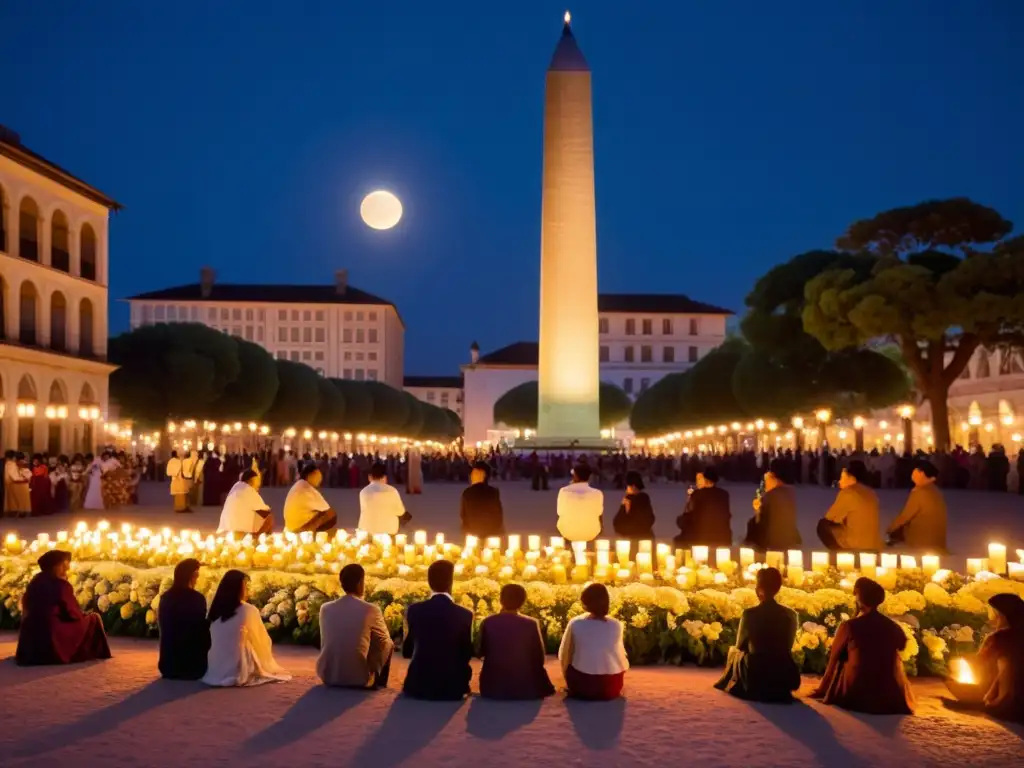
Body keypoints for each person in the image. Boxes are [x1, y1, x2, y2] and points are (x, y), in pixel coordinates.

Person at [811, 577, 915, 714]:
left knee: (843, 654)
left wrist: (823, 689)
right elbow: (902, 646)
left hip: (856, 691)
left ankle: (838, 687)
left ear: (859, 598)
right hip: (889, 693)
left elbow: (833, 658)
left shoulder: (849, 626)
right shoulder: (893, 627)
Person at [714, 567, 800, 702]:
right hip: (782, 674)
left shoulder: (750, 614)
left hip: (756, 676)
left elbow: (740, 645)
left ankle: (724, 682)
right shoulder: (791, 615)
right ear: (778, 588)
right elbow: (788, 646)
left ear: (758, 589)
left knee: (734, 651)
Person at [15, 550, 112, 666]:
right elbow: (73, 614)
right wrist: (85, 615)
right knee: (94, 619)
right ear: (58, 565)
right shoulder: (61, 584)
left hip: (31, 634)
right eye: (66, 562)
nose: (68, 566)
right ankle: (96, 652)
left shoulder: (35, 580)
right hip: (51, 632)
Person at [202, 569, 291, 687]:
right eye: (245, 586)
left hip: (215, 666)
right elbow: (261, 639)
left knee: (241, 635)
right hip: (238, 665)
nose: (247, 590)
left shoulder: (215, 610)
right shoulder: (248, 610)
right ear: (239, 589)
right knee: (248, 639)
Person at [945, 593, 1024, 723]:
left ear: (1003, 616)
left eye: (994, 615)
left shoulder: (1000, 638)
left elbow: (992, 666)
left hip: (1007, 699)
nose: (991, 620)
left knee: (957, 668)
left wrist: (999, 699)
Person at [402, 560, 473, 700]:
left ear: (429, 582)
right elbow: (466, 653)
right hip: (452, 687)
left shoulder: (414, 610)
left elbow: (407, 651)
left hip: (418, 685)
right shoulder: (465, 614)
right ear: (451, 583)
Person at [317, 564, 394, 689]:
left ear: (342, 584)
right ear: (360, 583)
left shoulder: (325, 608)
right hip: (358, 678)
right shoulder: (370, 610)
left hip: (327, 675)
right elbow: (384, 640)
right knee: (387, 642)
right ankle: (376, 679)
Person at [478, 583, 555, 700]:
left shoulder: (488, 622)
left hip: (492, 687)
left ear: (501, 600)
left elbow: (480, 652)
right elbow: (539, 657)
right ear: (523, 602)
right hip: (525, 687)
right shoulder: (531, 623)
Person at [559, 582, 628, 700]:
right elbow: (620, 655)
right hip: (612, 686)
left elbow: (565, 654)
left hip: (584, 685)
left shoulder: (576, 623)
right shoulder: (616, 624)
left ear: (584, 603)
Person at [158, 558, 211, 680]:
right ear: (193, 575)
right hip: (192, 667)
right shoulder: (196, 598)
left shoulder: (166, 597)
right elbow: (200, 629)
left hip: (168, 666)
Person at [817, 460, 882, 551]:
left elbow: (829, 518)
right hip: (874, 544)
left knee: (823, 525)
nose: (839, 482)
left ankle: (839, 553)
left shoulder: (848, 493)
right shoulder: (871, 492)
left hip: (856, 545)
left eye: (842, 478)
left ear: (852, 478)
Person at [886, 460, 947, 552]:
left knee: (897, 531)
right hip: (938, 541)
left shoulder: (920, 492)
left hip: (922, 541)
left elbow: (905, 516)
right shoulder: (936, 491)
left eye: (914, 473)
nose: (912, 476)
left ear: (921, 474)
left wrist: (890, 529)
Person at [744, 460, 801, 551]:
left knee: (752, 523)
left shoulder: (771, 495)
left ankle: (754, 546)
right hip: (789, 536)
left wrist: (758, 509)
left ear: (774, 475)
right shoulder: (790, 492)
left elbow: (762, 520)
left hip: (773, 541)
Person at [674, 467, 732, 548]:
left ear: (705, 480)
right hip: (723, 536)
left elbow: (689, 518)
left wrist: (689, 500)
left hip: (700, 538)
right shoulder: (724, 494)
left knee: (679, 540)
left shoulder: (698, 494)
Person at [556, 464, 604, 544]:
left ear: (575, 475)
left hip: (567, 532)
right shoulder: (598, 493)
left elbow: (559, 512)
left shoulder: (564, 491)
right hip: (591, 533)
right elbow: (599, 513)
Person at [358, 462, 410, 535]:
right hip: (389, 531)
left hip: (367, 531)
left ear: (370, 477)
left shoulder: (363, 492)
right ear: (384, 477)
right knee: (405, 516)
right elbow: (401, 511)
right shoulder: (392, 491)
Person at [283, 463, 338, 534]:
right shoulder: (307, 487)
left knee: (321, 514)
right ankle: (310, 535)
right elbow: (328, 510)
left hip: (290, 526)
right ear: (309, 476)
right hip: (299, 528)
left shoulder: (298, 485)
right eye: (317, 475)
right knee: (331, 515)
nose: (320, 479)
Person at [218, 469, 273, 536]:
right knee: (269, 517)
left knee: (257, 513)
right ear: (251, 481)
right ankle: (256, 538)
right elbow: (265, 512)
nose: (258, 486)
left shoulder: (235, 487)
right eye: (257, 483)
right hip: (243, 532)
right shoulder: (249, 491)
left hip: (228, 531)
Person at [459, 460, 505, 538]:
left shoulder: (468, 493)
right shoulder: (493, 492)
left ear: (482, 475)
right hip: (493, 535)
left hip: (473, 535)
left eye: (474, 473)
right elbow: (498, 516)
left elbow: (464, 517)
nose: (471, 476)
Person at [612, 470, 656, 541]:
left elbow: (619, 521)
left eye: (627, 487)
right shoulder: (638, 498)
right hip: (640, 533)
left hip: (635, 534)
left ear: (633, 486)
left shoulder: (637, 499)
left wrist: (627, 508)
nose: (626, 490)